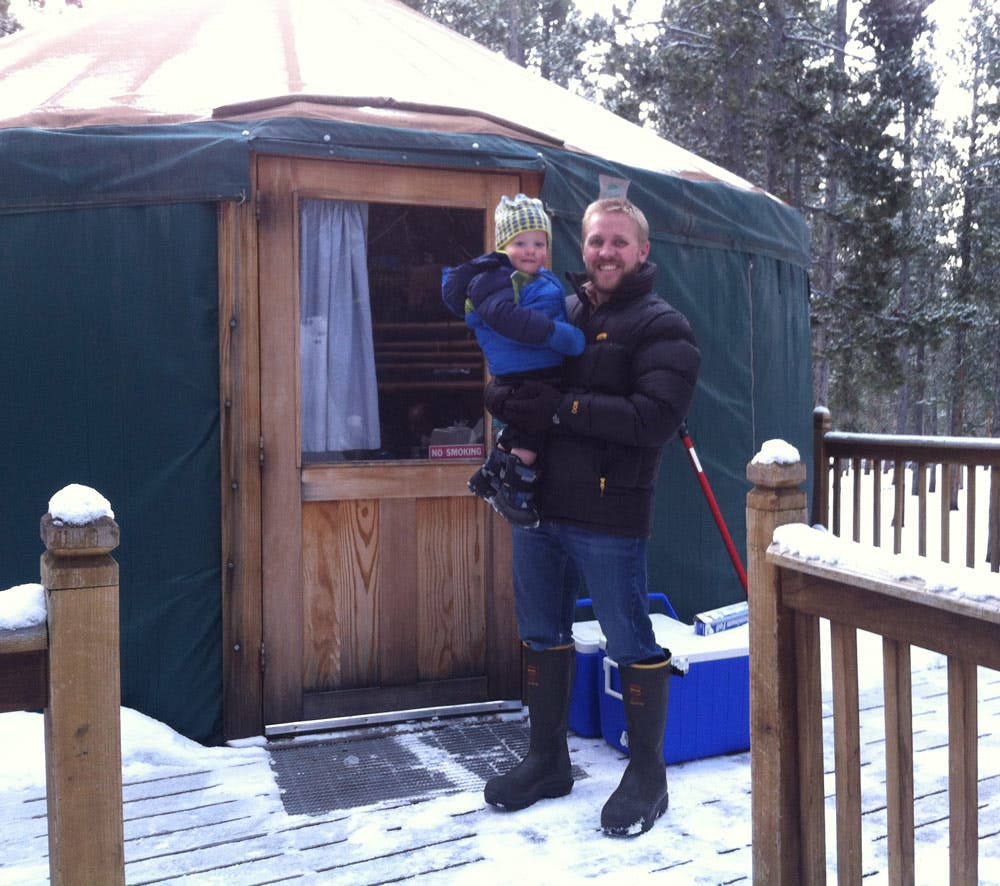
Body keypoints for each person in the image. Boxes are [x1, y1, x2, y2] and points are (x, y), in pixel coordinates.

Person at [480, 196, 701, 837]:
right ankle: (547, 760)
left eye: (618, 242)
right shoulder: (556, 306)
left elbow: (651, 419)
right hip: (538, 503)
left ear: (642, 252)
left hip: (609, 510)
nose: (605, 253)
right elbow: (516, 372)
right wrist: (502, 394)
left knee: (629, 637)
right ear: (584, 247)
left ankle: (647, 774)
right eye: (596, 241)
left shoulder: (665, 327)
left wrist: (557, 409)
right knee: (542, 632)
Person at [442, 194, 584, 527]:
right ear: (503, 246)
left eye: (539, 242)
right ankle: (515, 493)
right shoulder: (497, 277)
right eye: (521, 242)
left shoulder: (537, 277)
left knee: (520, 428)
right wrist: (555, 334)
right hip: (527, 371)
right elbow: (501, 316)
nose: (531, 250)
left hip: (535, 368)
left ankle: (490, 476)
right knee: (534, 428)